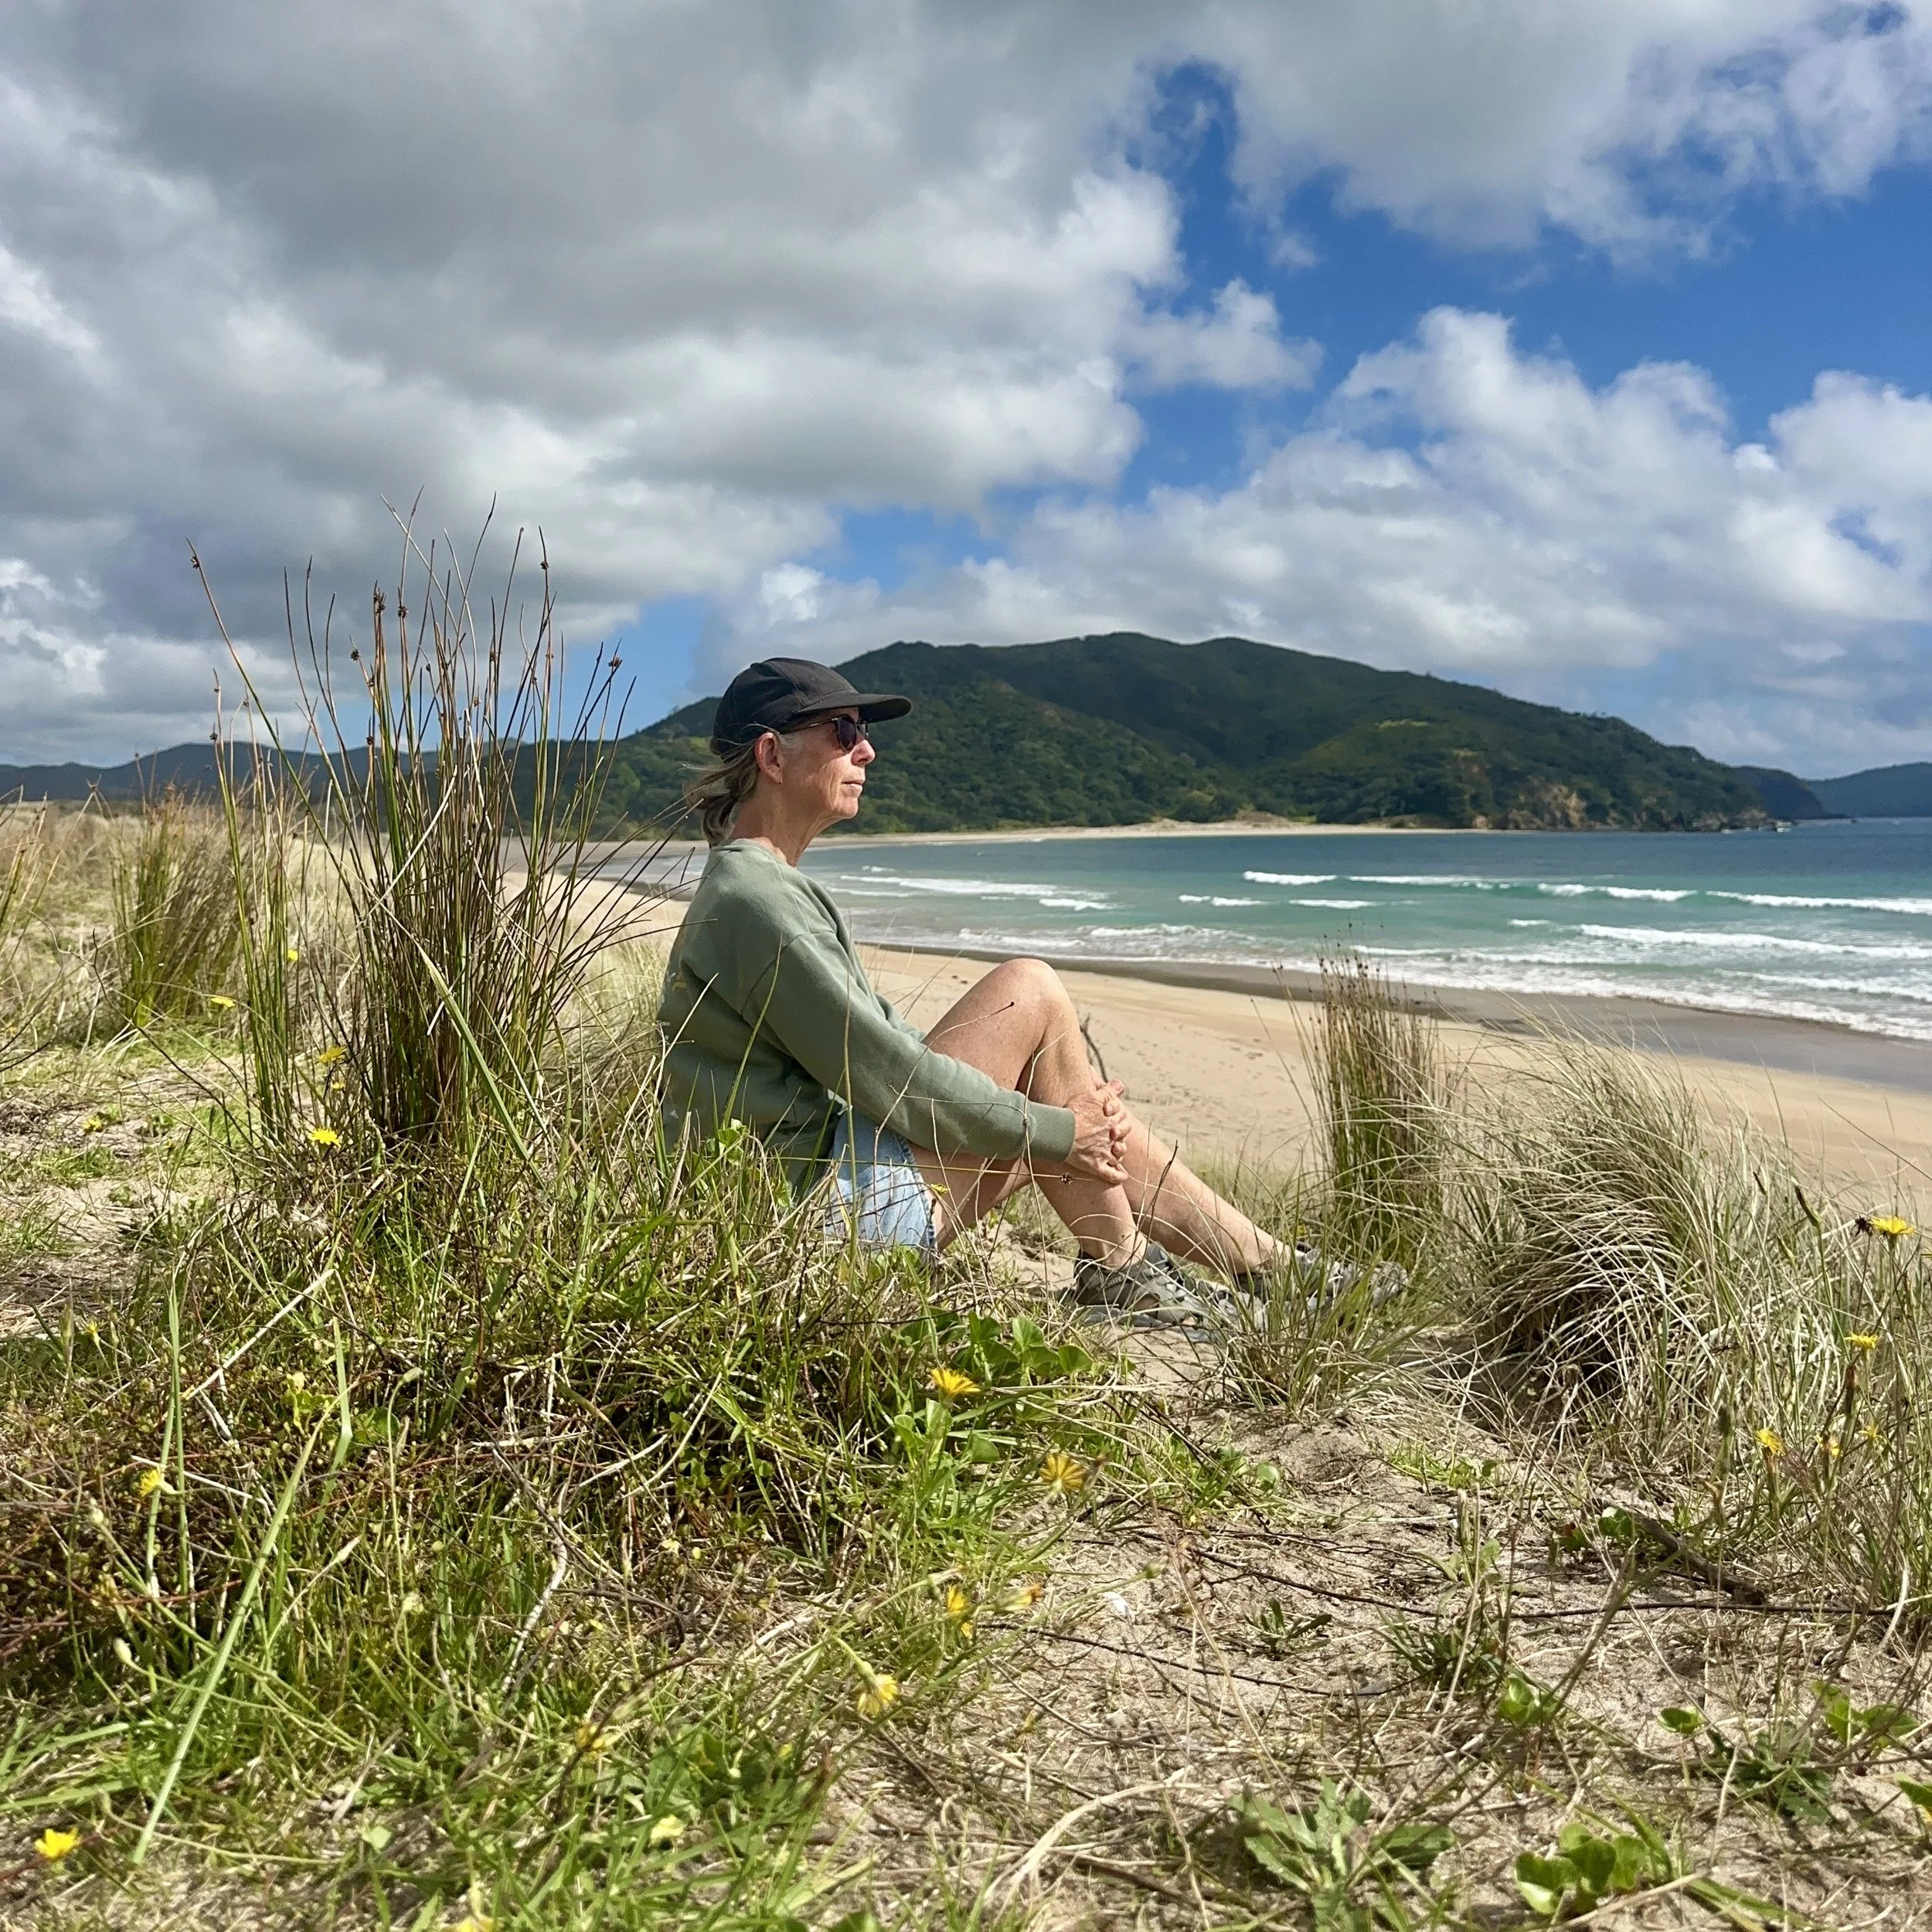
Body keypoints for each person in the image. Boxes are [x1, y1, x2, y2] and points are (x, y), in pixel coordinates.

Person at [656, 655, 1298, 1327]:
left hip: (809, 1189)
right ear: (772, 756)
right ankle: (1142, 1271)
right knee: (1033, 990)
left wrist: (1065, 1125)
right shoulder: (756, 899)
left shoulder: (761, 886)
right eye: (843, 733)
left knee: (1070, 1108)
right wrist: (1060, 1130)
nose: (867, 751)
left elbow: (883, 1046)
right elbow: (892, 1077)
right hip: (805, 1229)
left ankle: (1259, 1269)